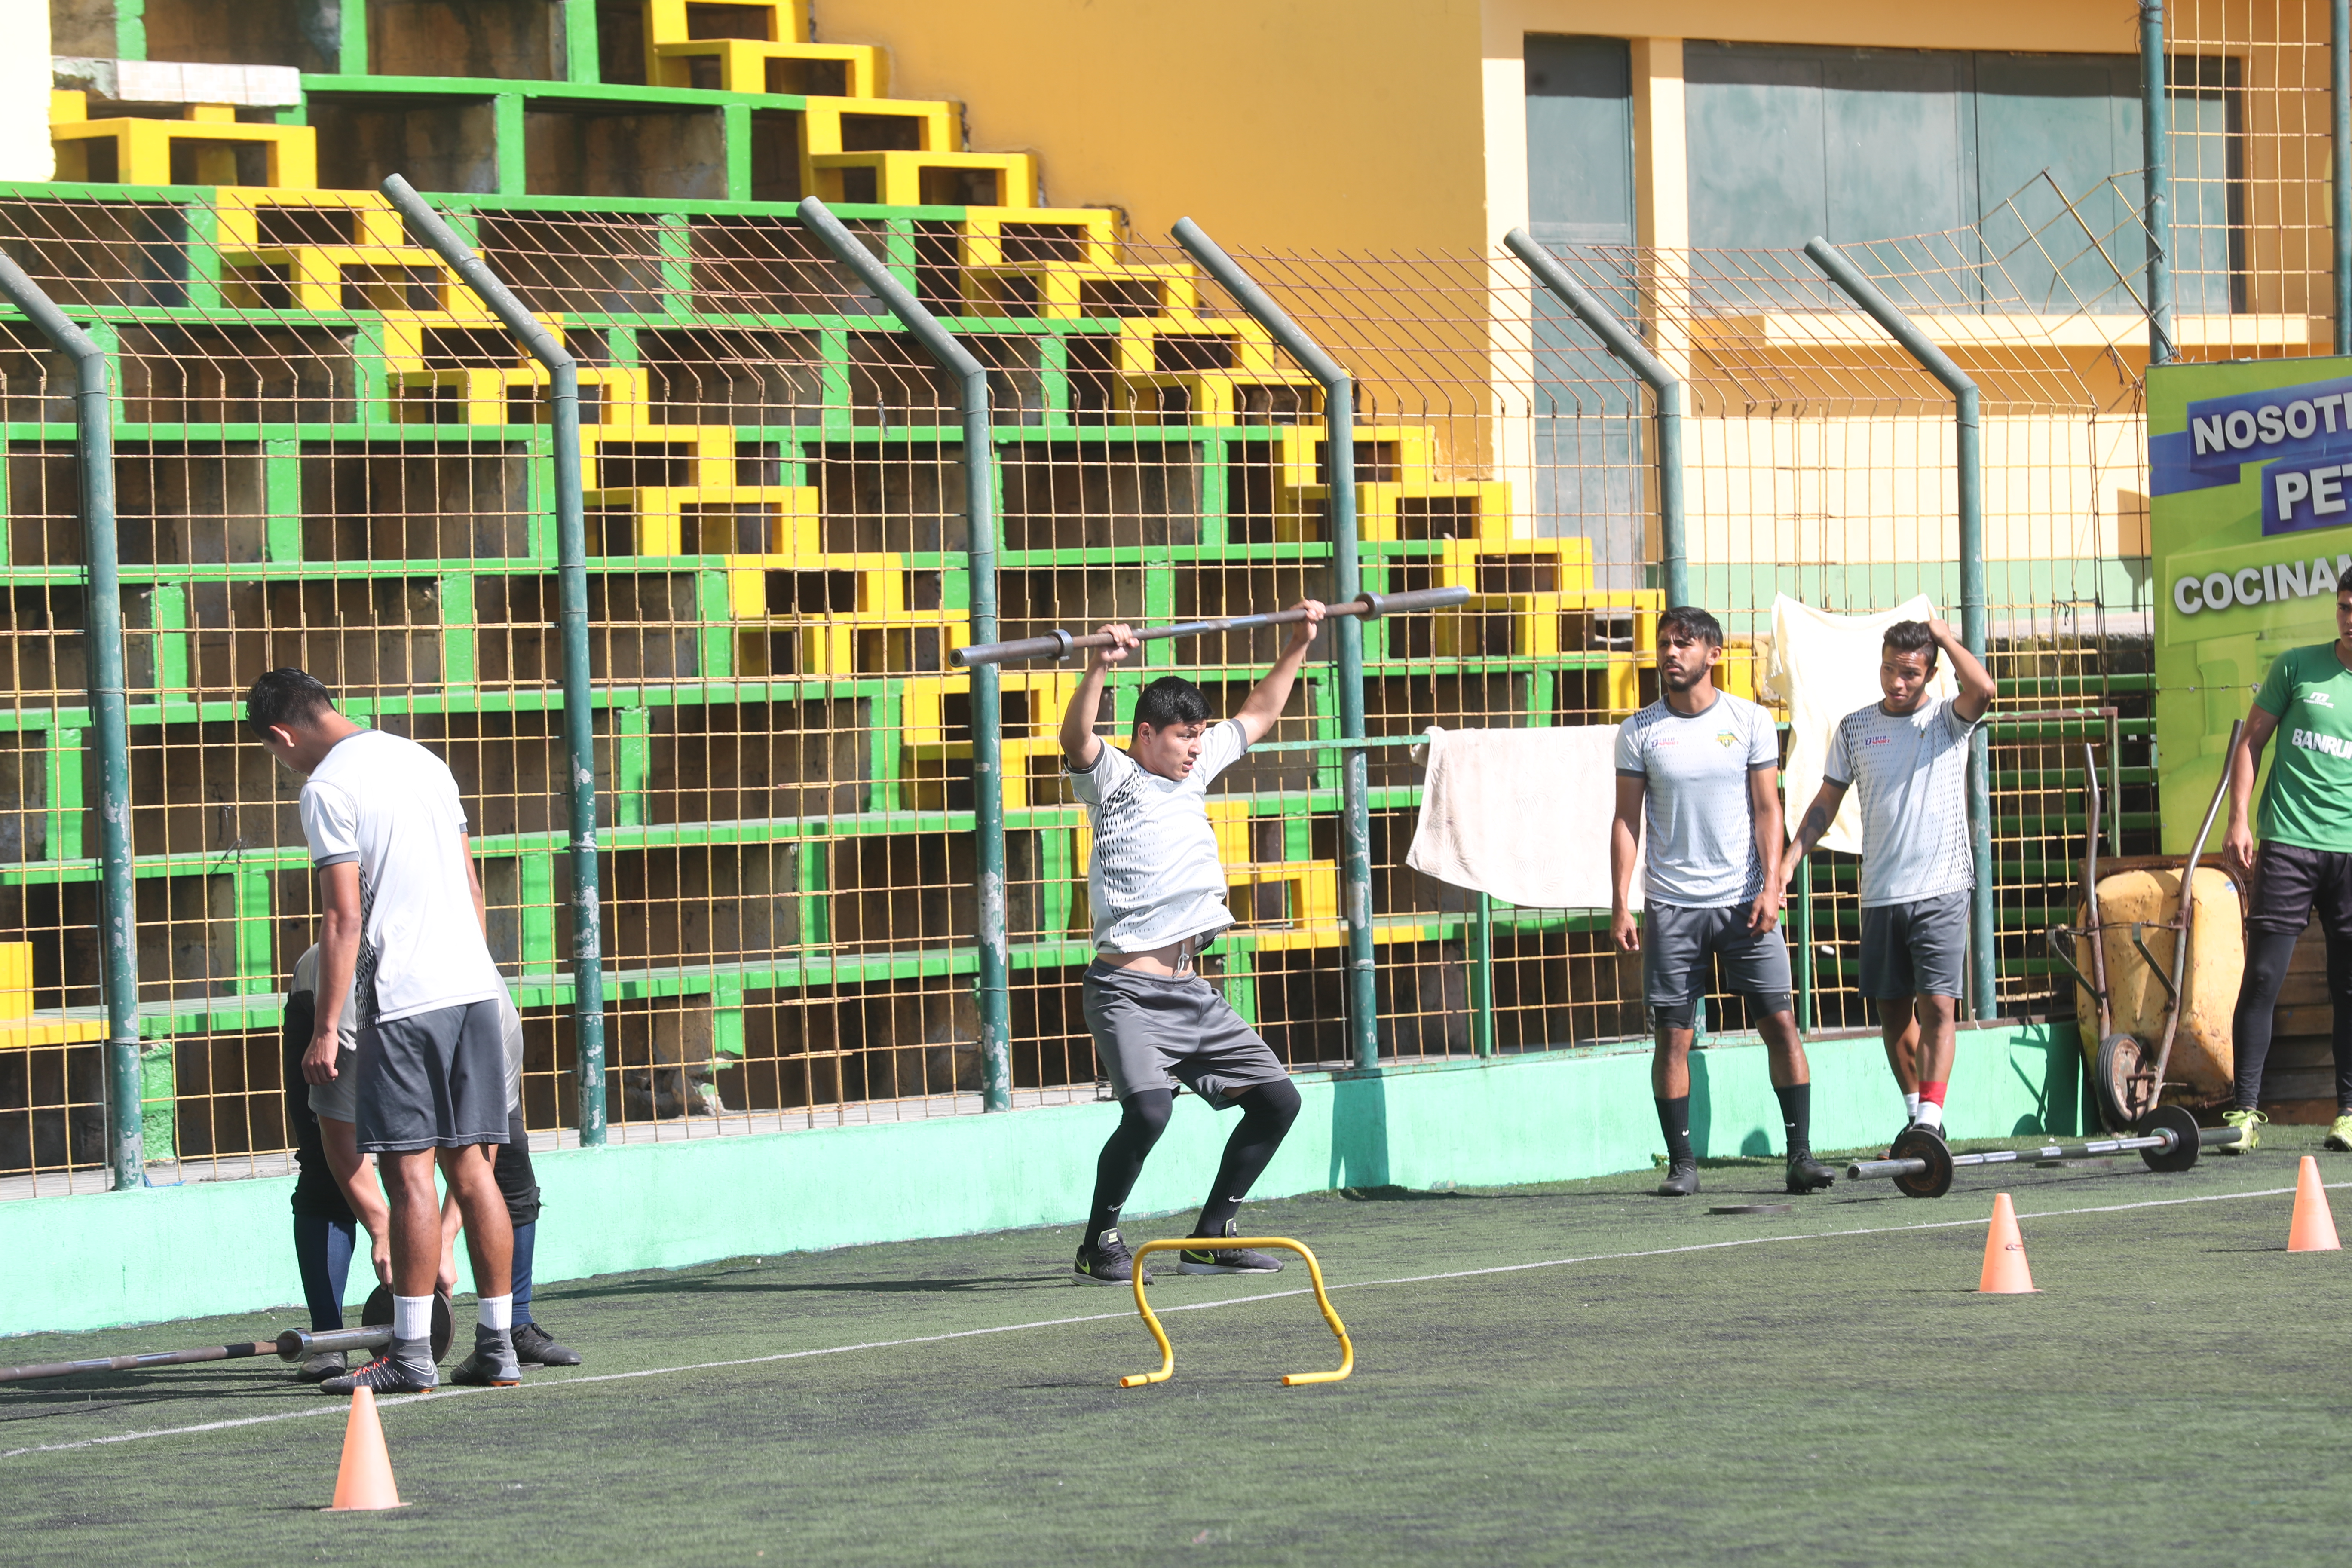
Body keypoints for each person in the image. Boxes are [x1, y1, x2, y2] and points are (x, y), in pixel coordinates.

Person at [248, 667, 522, 1393]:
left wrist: (327, 1025)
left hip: (404, 999)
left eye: (278, 755)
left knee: (408, 1173)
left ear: (283, 734)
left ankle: (410, 1355)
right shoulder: (422, 760)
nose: (286, 768)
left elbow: (344, 917)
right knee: (471, 1166)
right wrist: (472, 970)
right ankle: (496, 1347)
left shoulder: (327, 788)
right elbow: (469, 883)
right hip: (474, 987)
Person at [1060, 604, 1322, 1286]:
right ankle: (1099, 1241)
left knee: (1278, 1101)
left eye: (1201, 735)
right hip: (1125, 991)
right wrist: (1099, 664)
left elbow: (1261, 712)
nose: (1195, 748)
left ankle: (1212, 1235)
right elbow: (1075, 734)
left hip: (1188, 989)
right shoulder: (1114, 779)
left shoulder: (1197, 774)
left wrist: (1298, 642)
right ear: (1147, 734)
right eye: (1183, 736)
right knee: (1149, 1111)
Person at [1611, 606, 1835, 1198]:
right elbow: (1626, 820)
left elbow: (1768, 811)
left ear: (1713, 654)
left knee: (1781, 1026)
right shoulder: (1639, 731)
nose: (1670, 654)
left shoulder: (1751, 720)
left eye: (1683, 644)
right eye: (1664, 644)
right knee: (1673, 1037)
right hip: (1672, 907)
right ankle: (1682, 1166)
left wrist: (1771, 886)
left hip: (1744, 904)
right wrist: (1621, 902)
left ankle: (1800, 1155)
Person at [282, 944, 580, 1381]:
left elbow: (481, 1155)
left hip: (448, 1007)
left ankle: (511, 1325)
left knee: (509, 1168)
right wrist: (384, 1231)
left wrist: (445, 1235)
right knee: (327, 1179)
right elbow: (340, 1137)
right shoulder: (347, 1020)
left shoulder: (492, 1018)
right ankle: (329, 1339)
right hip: (330, 1008)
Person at [1782, 619, 1994, 1142]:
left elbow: (1986, 689)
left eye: (1909, 674)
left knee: (1939, 1005)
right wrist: (1791, 859)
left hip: (1943, 888)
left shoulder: (1948, 720)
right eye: (1888, 670)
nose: (1896, 683)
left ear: (1930, 674)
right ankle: (1915, 1120)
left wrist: (1945, 636)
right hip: (1881, 891)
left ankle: (1931, 1121)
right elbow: (1826, 802)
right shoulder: (1855, 728)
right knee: (1893, 1012)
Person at [2218, 579, 2352, 1154]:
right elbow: (2250, 743)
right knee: (2265, 977)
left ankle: (2349, 1114)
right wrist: (2240, 819)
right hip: (2289, 846)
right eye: (2346, 609)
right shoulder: (2297, 667)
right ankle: (2244, 1112)